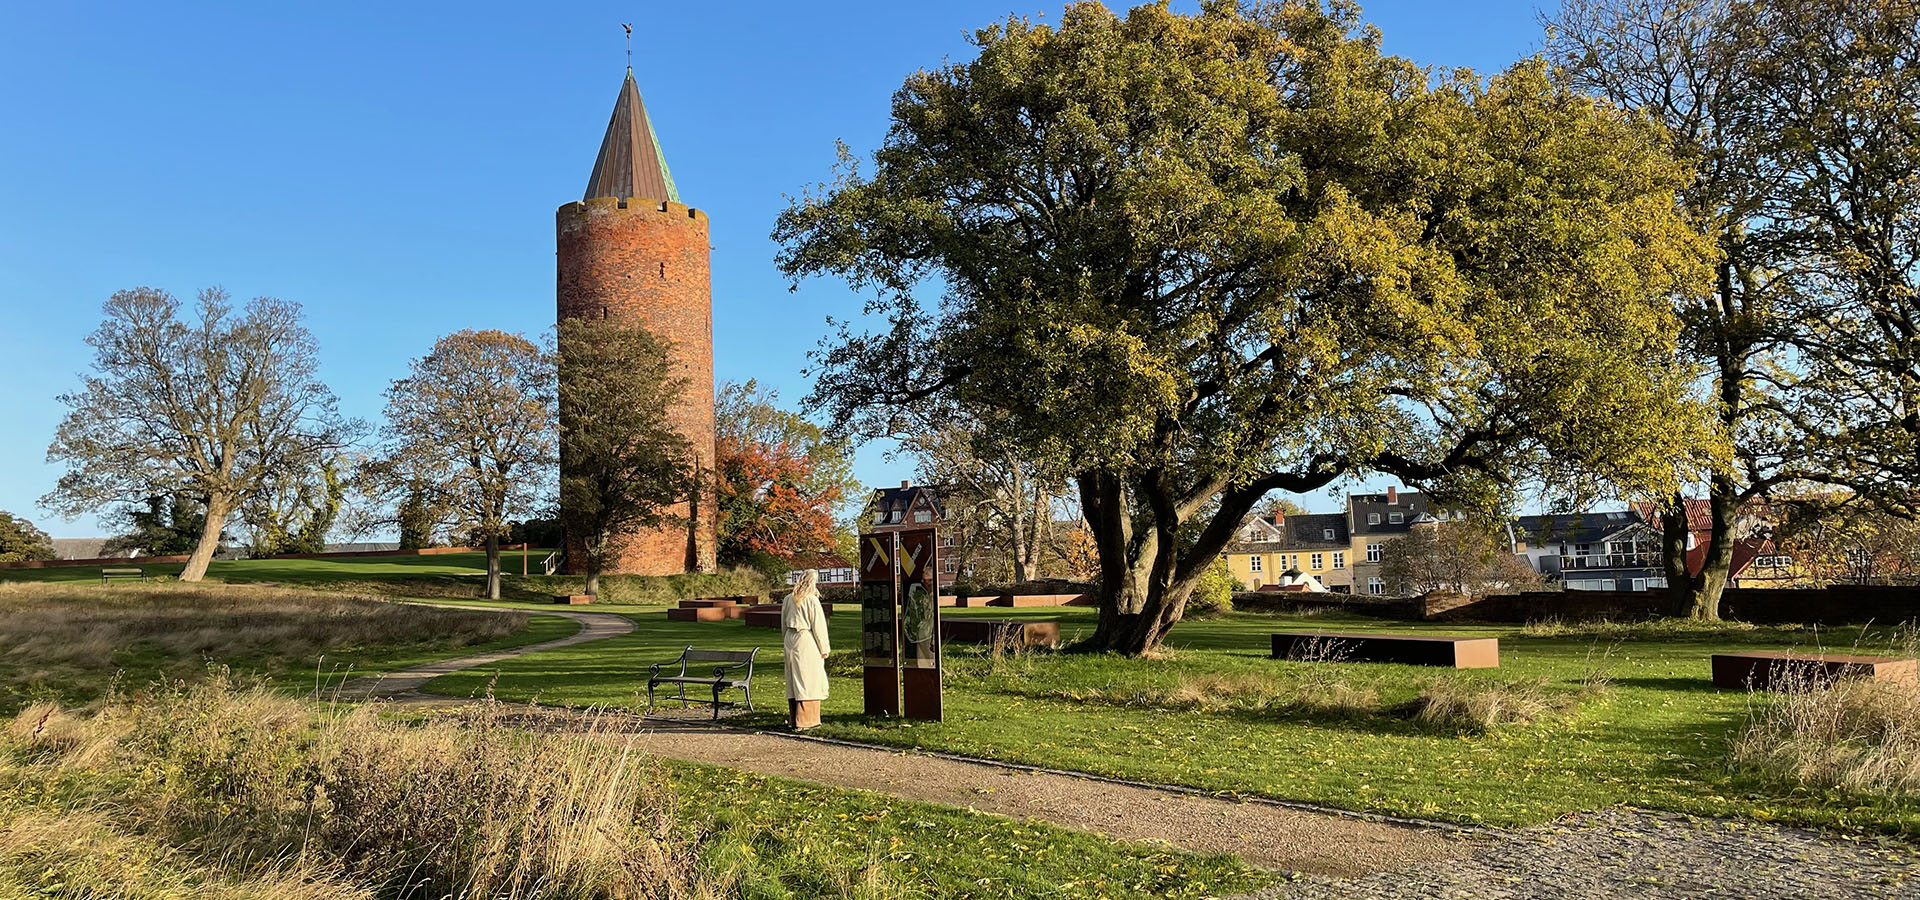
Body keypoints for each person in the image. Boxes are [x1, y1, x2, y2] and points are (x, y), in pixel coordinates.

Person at [781, 568, 831, 729]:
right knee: (808, 678)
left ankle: (796, 718)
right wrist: (824, 647)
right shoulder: (811, 600)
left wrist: (785, 641)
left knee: (795, 676)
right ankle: (806, 719)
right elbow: (818, 626)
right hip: (805, 639)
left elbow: (783, 622)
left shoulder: (789, 599)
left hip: (790, 638)